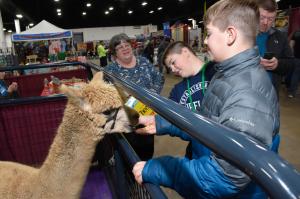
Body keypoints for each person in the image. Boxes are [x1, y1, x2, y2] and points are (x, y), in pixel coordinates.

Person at [132, 0, 280, 198]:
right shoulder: (225, 74)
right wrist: (162, 123)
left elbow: (224, 176)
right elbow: (207, 122)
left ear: (230, 34)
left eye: (209, 34)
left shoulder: (247, 94)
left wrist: (159, 168)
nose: (205, 41)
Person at [105, 33, 165, 161]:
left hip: (147, 113)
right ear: (114, 53)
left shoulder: (143, 61)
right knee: (129, 155)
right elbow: (108, 97)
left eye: (126, 45)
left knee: (147, 152)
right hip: (126, 120)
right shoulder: (110, 70)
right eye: (120, 47)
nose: (125, 48)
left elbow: (159, 78)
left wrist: (151, 95)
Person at [256, 0, 295, 98]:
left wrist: (277, 64)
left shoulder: (280, 37)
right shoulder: (243, 34)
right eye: (262, 17)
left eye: (270, 19)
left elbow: (290, 63)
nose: (266, 22)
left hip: (270, 96)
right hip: (244, 93)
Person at [287, 30, 300, 98]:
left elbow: (291, 45)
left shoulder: (296, 33)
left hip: (296, 57)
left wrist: (292, 55)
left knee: (295, 74)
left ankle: (291, 92)